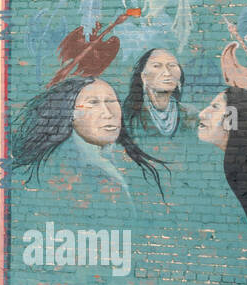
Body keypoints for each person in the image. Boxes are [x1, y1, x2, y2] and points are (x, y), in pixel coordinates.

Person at [11, 76, 165, 210]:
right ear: (71, 114)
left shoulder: (123, 164)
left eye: (111, 101)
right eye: (93, 103)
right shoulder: (61, 170)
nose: (108, 112)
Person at [197, 86, 247, 265]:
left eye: (214, 107)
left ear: (233, 119)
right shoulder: (231, 169)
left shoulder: (244, 179)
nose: (202, 114)